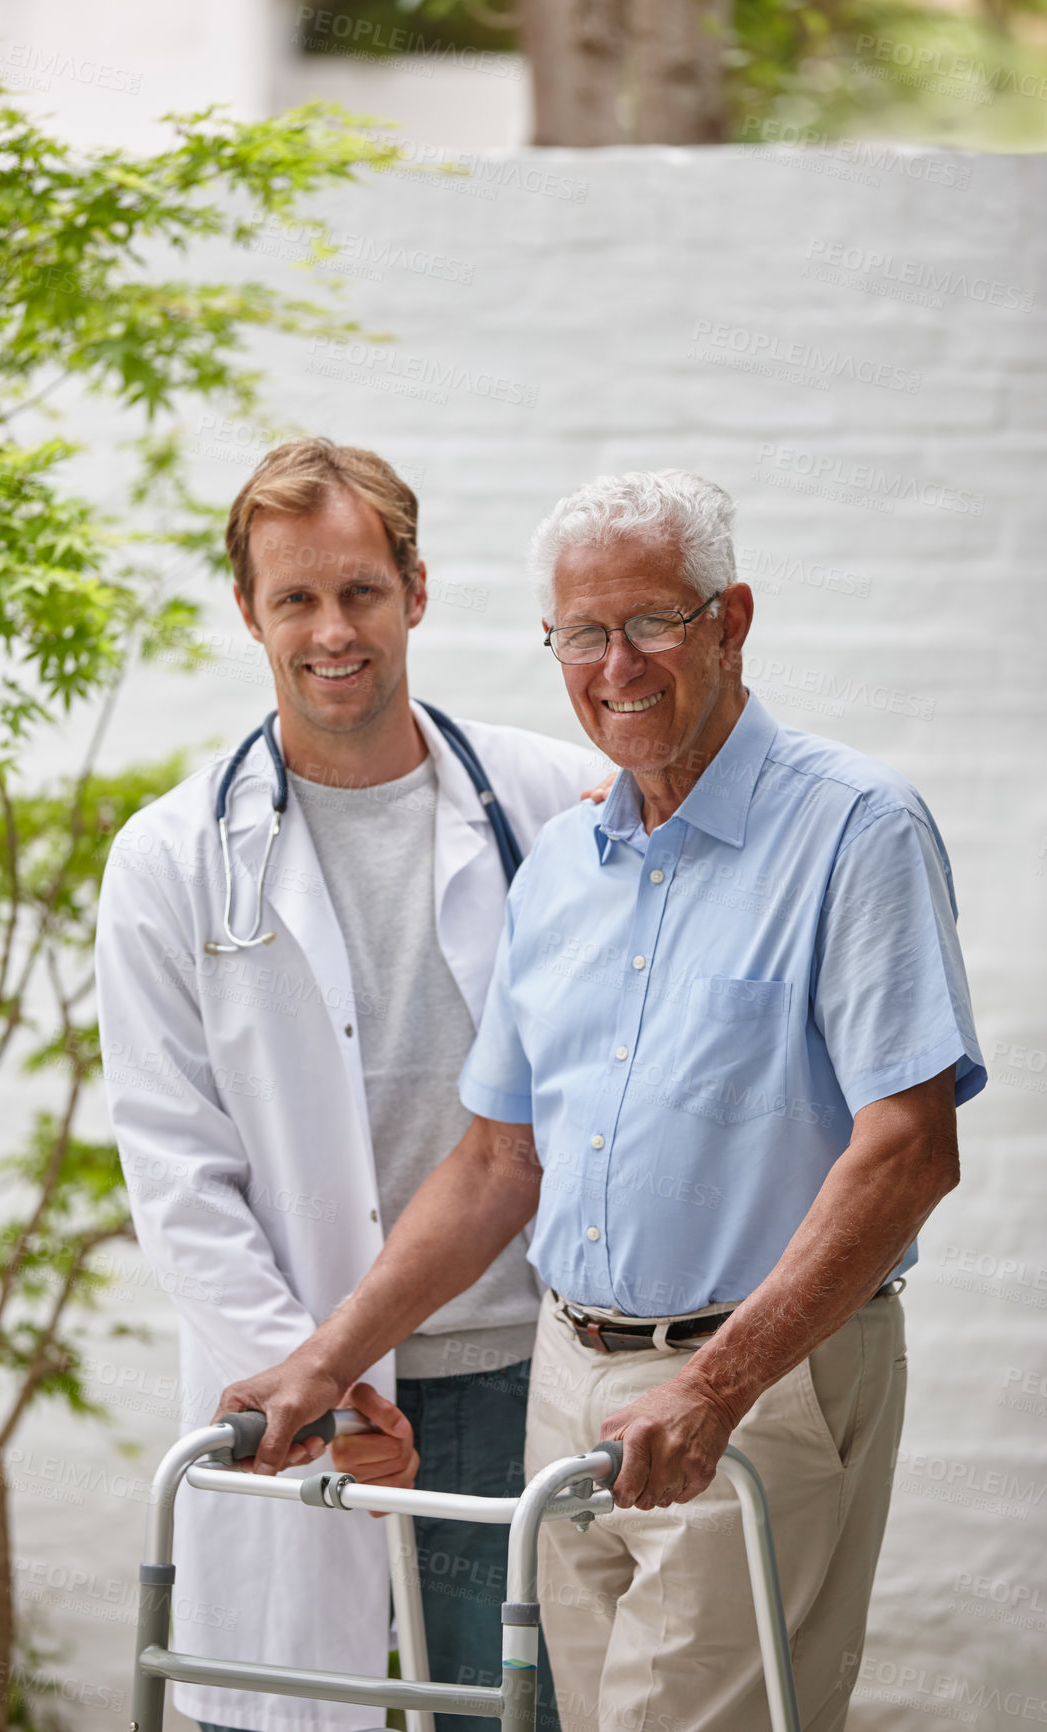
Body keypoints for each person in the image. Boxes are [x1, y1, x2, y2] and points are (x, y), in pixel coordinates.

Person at [218, 468, 987, 1732]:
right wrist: (321, 1361)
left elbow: (907, 1152)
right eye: (581, 633)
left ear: (728, 621)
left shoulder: (856, 830)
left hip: (756, 1383)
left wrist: (716, 1387)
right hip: (565, 1374)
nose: (613, 664)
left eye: (649, 622)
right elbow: (491, 1164)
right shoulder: (564, 863)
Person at [96, 438, 604, 1732]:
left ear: (416, 591)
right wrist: (309, 1377)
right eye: (295, 599)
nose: (332, 630)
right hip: (294, 1380)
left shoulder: (553, 805)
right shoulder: (169, 859)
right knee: (278, 1707)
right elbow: (175, 1168)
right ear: (248, 612)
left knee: (514, 1715)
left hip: (510, 1366)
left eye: (361, 593)